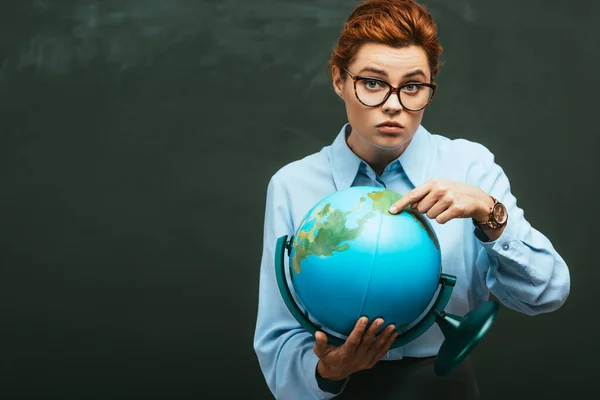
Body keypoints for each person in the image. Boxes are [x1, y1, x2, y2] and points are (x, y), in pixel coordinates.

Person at [252, 0, 571, 398]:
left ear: (429, 88)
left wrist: (491, 214)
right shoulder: (292, 184)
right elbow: (277, 337)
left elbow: (547, 293)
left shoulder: (469, 167)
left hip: (443, 383)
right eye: (372, 82)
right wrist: (327, 371)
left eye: (413, 86)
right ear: (339, 80)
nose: (393, 104)